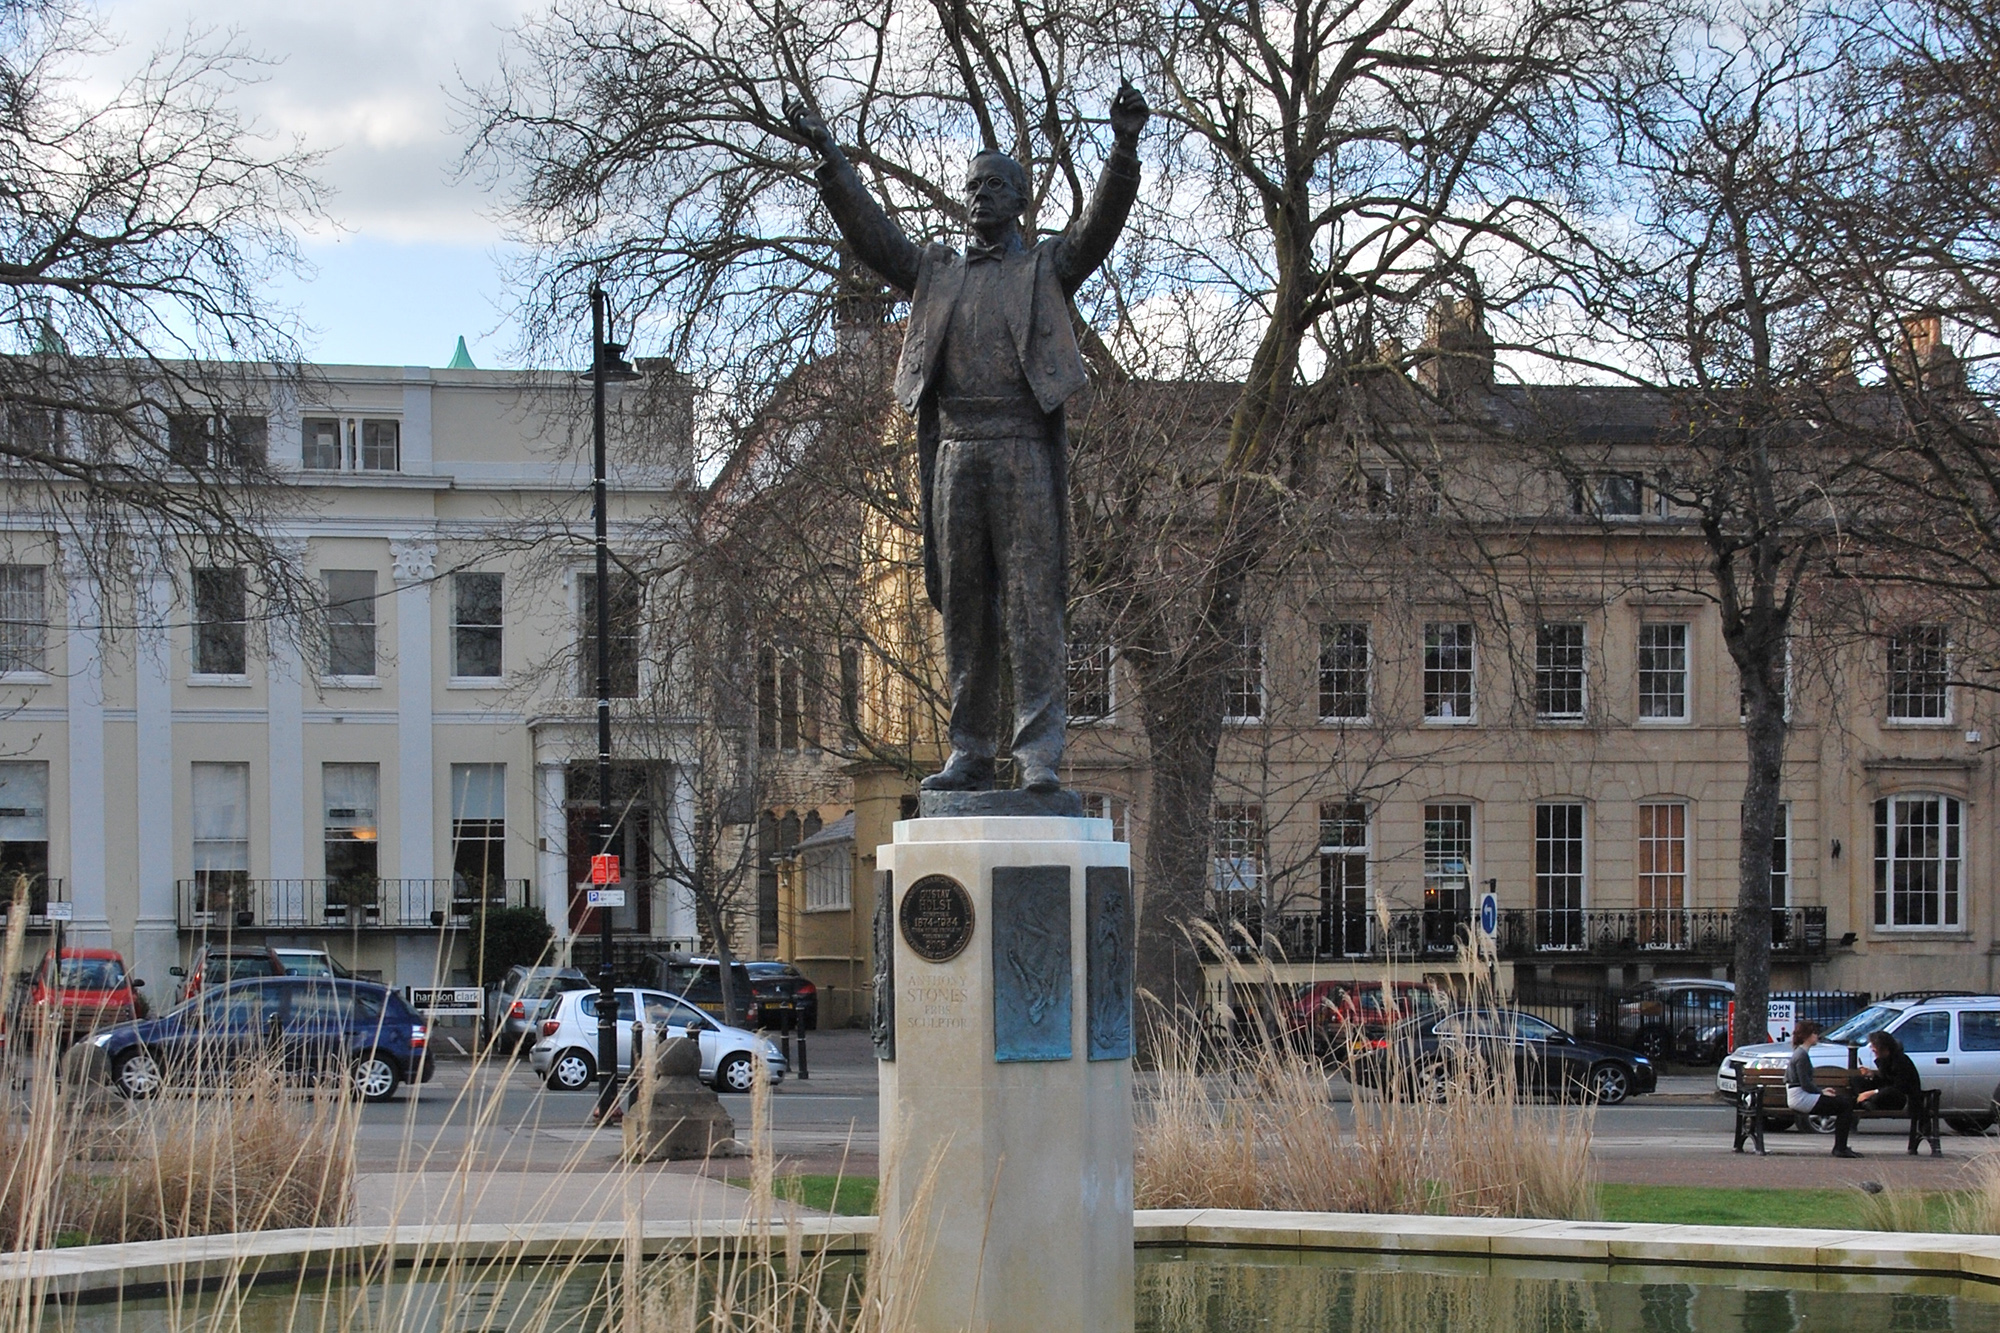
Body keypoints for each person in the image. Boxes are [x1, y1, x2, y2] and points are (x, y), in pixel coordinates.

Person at [785, 84, 1149, 795]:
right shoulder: (935, 273)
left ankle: (1039, 752)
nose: (981, 195)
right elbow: (872, 234)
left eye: (995, 186)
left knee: (1033, 606)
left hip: (1020, 448)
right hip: (953, 454)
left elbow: (1097, 233)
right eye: (973, 186)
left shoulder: (1041, 267)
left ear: (1019, 199)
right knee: (964, 609)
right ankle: (971, 749)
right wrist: (830, 160)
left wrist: (1124, 151)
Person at [1786, 1020, 1860, 1158]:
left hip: (1800, 1095)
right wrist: (1821, 1092)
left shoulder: (1799, 1053)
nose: (1817, 1036)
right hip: (1800, 1097)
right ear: (1806, 1036)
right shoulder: (1801, 1056)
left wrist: (1822, 1092)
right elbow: (1805, 1084)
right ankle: (1840, 1147)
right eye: (1814, 1033)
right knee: (1845, 1105)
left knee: (1843, 1103)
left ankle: (1841, 1146)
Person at [1856, 1028, 1924, 1114]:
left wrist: (1872, 1093)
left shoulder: (1901, 1061)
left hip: (1902, 1098)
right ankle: (1865, 1103)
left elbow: (1899, 1086)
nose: (1872, 1049)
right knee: (1857, 1079)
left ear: (1883, 1047)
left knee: (1888, 1092)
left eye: (1874, 1046)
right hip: (1887, 1093)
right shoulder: (1884, 1060)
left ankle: (1866, 1102)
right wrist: (1872, 1075)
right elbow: (1884, 1081)